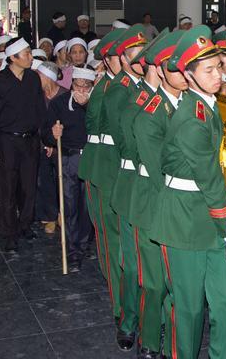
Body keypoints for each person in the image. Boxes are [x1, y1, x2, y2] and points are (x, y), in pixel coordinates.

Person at [150, 25, 226, 359]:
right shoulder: (192, 118)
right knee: (188, 307)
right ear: (188, 75)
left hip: (209, 215)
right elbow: (209, 178)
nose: (218, 75)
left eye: (218, 67)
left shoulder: (207, 106)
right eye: (208, 70)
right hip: (185, 220)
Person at [130, 30, 185, 359]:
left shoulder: (192, 105)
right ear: (162, 70)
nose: (185, 73)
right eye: (178, 67)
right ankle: (150, 339)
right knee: (154, 281)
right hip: (154, 202)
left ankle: (172, 337)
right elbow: (157, 170)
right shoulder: (151, 110)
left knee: (177, 282)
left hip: (182, 206)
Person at [100, 24, 149, 351]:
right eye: (137, 57)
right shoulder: (120, 91)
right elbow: (126, 143)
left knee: (153, 262)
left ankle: (154, 321)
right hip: (132, 180)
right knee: (131, 261)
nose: (143, 62)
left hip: (155, 184)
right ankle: (128, 320)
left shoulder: (153, 88)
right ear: (124, 59)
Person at [78, 29, 127, 323]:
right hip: (105, 168)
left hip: (122, 170)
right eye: (124, 56)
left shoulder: (123, 84)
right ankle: (120, 304)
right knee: (111, 238)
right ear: (108, 60)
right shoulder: (106, 88)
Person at [0, 38, 46, 252]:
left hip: (30, 140)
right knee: (8, 188)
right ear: (13, 58)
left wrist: (45, 137)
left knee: (29, 187)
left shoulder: (32, 78)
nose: (30, 57)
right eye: (26, 53)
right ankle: (9, 232)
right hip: (7, 141)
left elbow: (40, 109)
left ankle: (25, 224)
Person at [42, 67, 95, 271]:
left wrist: (86, 105)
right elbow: (45, 135)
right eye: (77, 85)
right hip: (68, 158)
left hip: (89, 157)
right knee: (69, 204)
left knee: (87, 205)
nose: (81, 90)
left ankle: (84, 244)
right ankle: (73, 251)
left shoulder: (95, 104)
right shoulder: (59, 103)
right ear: (72, 84)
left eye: (86, 86)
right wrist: (52, 134)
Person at [35, 61, 68, 234]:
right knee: (44, 181)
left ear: (48, 77)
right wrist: (46, 141)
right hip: (43, 144)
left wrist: (55, 143)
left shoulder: (65, 95)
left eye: (39, 76)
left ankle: (63, 214)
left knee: (62, 181)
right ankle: (50, 216)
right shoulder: (37, 96)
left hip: (63, 146)